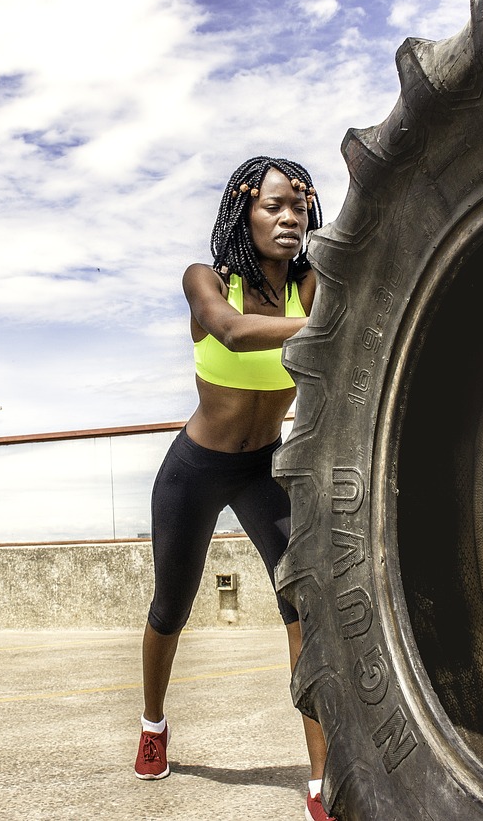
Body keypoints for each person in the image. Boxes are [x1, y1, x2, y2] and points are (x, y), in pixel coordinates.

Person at [134, 156, 336, 821]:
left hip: (264, 470)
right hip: (195, 466)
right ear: (243, 210)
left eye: (299, 206)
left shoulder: (314, 288)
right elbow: (230, 329)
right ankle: (154, 723)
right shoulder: (205, 279)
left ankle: (321, 780)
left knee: (301, 608)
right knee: (171, 605)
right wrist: (325, 329)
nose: (289, 218)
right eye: (274, 206)